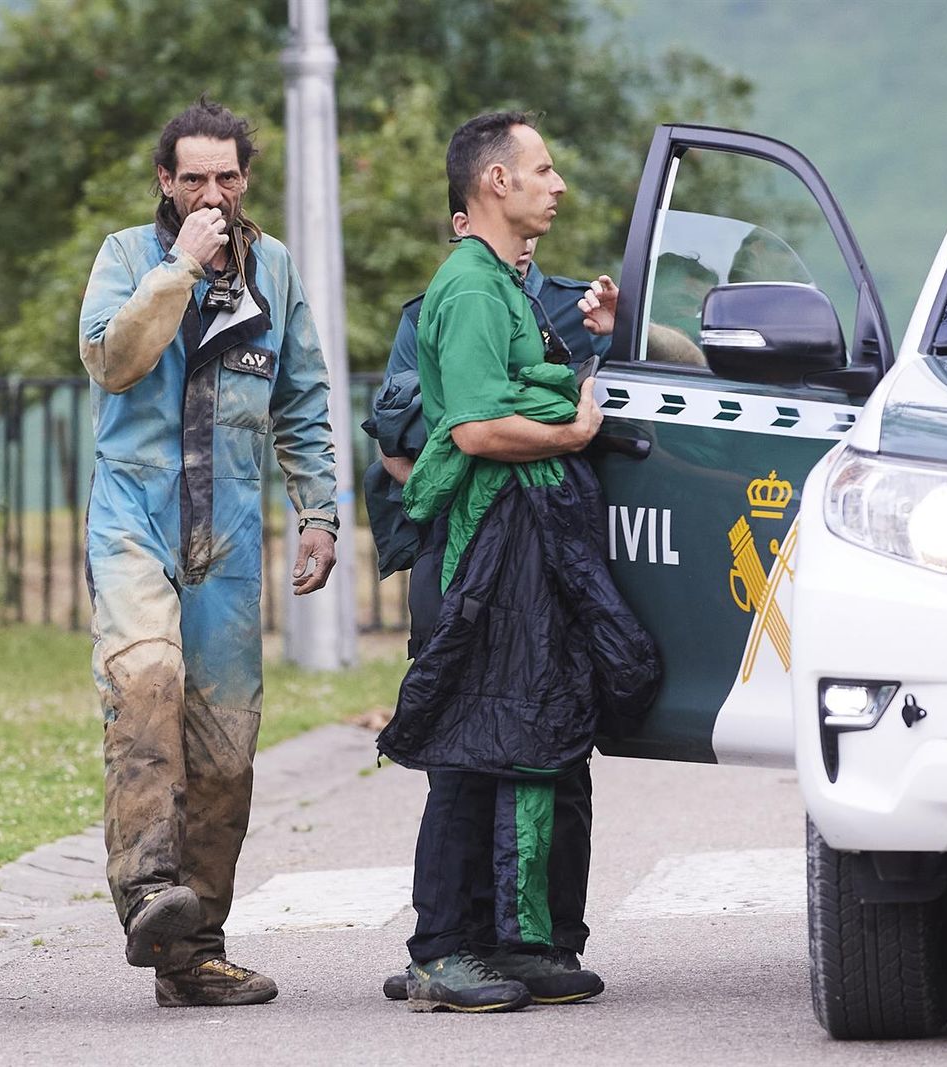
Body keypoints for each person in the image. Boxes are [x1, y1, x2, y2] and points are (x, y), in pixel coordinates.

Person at [77, 98, 339, 1008]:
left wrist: (320, 512)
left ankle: (195, 949)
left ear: (245, 179)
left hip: (226, 532)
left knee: (225, 745)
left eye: (227, 176)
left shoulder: (274, 272)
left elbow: (302, 397)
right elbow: (112, 362)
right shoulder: (126, 258)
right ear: (165, 181)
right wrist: (179, 268)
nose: (213, 192)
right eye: (194, 177)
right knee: (147, 683)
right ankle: (149, 891)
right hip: (133, 514)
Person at [387, 110, 636, 1014]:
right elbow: (478, 427)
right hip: (482, 541)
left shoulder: (510, 286)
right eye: (542, 167)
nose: (556, 183)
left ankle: (516, 942)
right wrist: (569, 426)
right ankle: (442, 948)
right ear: (494, 183)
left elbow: (532, 385)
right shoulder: (470, 289)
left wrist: (587, 362)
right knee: (469, 735)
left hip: (526, 542)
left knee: (524, 726)